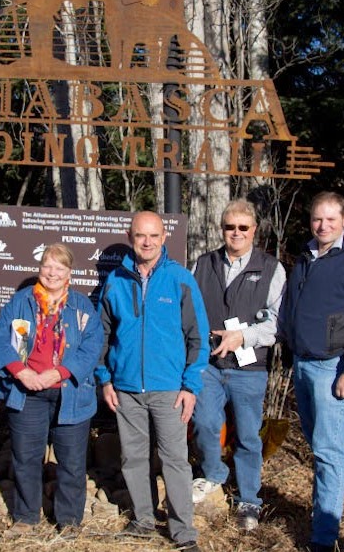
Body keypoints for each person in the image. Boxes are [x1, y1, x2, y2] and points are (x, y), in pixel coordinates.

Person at [279, 192, 344, 552]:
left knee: (329, 450)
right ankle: (320, 515)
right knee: (318, 444)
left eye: (330, 219)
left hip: (335, 367)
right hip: (304, 364)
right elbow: (291, 309)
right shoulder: (306, 258)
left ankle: (324, 538)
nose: (322, 226)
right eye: (316, 219)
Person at [96, 211, 209, 552]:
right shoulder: (116, 280)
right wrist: (105, 379)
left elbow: (198, 336)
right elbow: (102, 334)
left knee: (175, 459)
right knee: (133, 457)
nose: (147, 242)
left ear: (164, 239)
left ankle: (182, 531)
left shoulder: (180, 279)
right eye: (140, 236)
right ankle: (143, 519)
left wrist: (191, 386)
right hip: (127, 388)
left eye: (153, 236)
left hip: (169, 389)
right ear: (131, 237)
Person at [0, 243, 104, 537]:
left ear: (69, 273)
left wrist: (59, 372)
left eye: (59, 268)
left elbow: (92, 346)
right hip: (27, 392)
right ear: (39, 268)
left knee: (71, 461)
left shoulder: (81, 307)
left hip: (71, 393)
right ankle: (26, 517)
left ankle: (68, 521)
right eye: (47, 266)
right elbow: (2, 340)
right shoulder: (21, 302)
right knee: (26, 458)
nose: (51, 273)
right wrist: (22, 372)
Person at [190, 199, 286, 530]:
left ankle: (249, 500)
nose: (236, 233)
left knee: (248, 436)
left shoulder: (272, 268)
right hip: (209, 366)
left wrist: (242, 337)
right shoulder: (203, 264)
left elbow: (277, 323)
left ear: (254, 231)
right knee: (204, 423)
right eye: (230, 227)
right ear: (222, 230)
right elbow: (189, 313)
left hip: (250, 369)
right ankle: (214, 473)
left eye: (243, 227)